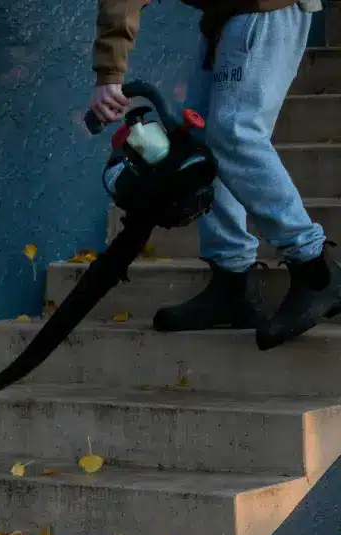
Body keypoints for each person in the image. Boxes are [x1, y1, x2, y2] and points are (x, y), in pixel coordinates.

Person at [88, 0, 340, 350]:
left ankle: (315, 271)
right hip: (226, 16)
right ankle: (232, 283)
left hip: (264, 9)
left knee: (233, 134)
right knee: (201, 142)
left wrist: (110, 73)